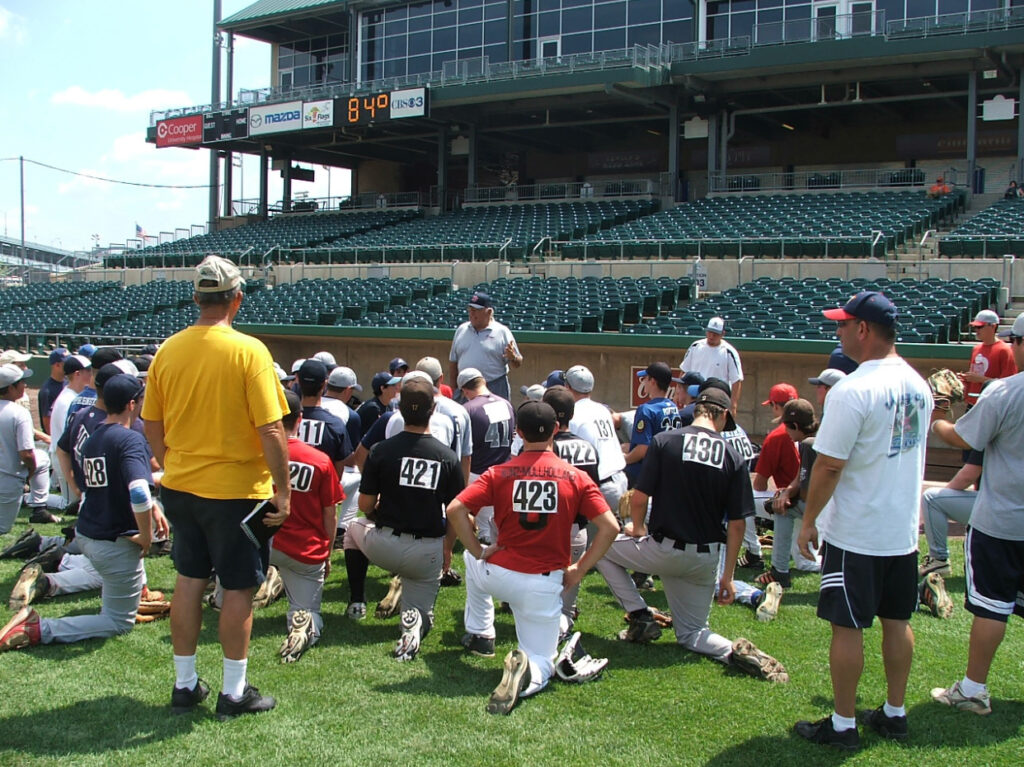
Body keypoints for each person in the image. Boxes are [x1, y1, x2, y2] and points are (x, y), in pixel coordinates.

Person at [142, 255, 291, 721]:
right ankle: (233, 692)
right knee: (238, 587)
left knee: (188, 580)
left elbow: (151, 422)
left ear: (197, 298)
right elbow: (271, 430)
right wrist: (284, 493)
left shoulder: (168, 349)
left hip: (182, 486)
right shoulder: (249, 351)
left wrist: (172, 464)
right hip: (235, 491)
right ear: (237, 299)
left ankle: (185, 685)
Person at [794, 290, 932, 750]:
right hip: (900, 530)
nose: (838, 331)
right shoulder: (919, 383)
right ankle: (894, 713)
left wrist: (809, 520)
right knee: (897, 620)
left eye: (843, 324)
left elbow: (829, 465)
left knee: (847, 627)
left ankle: (844, 724)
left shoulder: (854, 390)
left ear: (864, 330)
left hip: (857, 531)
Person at [595, 386, 788, 682]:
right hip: (705, 559)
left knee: (601, 549)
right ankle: (728, 651)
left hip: (662, 549)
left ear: (697, 409)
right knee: (693, 634)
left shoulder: (664, 440)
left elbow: (639, 496)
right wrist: (726, 578)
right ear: (723, 414)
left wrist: (637, 526)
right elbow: (737, 525)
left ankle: (640, 615)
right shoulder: (732, 454)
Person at [447, 401, 619, 715]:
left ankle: (482, 633)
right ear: (556, 429)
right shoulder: (575, 476)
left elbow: (455, 509)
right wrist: (579, 570)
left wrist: (477, 550)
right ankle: (528, 673)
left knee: (473, 563)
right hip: (543, 582)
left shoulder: (498, 472)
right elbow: (610, 527)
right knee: (543, 660)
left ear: (518, 432)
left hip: (499, 575)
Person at [0, 374, 169, 653]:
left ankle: (54, 579)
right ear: (131, 404)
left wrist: (160, 493)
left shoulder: (95, 435)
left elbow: (120, 480)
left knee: (101, 574)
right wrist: (146, 535)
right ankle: (38, 627)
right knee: (118, 622)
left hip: (88, 531)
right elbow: (138, 491)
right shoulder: (130, 439)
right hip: (112, 539)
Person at [929, 311, 1024, 716]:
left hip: (1003, 520)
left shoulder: (1006, 392)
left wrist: (940, 414)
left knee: (991, 607)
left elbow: (961, 438)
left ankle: (972, 689)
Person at [347, 377, 466, 661]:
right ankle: (412, 629)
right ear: (434, 408)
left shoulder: (382, 450)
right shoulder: (447, 457)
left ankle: (356, 602)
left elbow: (364, 504)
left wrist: (378, 511)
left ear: (400, 410)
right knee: (419, 614)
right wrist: (448, 547)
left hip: (384, 546)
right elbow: (457, 514)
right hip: (427, 552)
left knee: (352, 529)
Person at [270, 390, 344, 663]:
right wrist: (326, 552)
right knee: (306, 611)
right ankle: (303, 627)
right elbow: (330, 514)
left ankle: (249, 584)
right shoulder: (320, 460)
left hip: (262, 542)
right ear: (299, 419)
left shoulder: (255, 454)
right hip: (304, 550)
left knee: (230, 592)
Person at [543, 385, 600, 636]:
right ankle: (563, 628)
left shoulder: (545, 449)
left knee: (541, 596)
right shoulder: (588, 446)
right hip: (578, 530)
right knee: (566, 606)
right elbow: (593, 492)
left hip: (547, 531)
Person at [757, 399, 818, 588]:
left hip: (827, 508)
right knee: (781, 504)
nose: (785, 431)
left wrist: (787, 500)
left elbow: (810, 492)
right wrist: (786, 493)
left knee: (781, 508)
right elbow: (800, 478)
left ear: (796, 426)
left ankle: (778, 570)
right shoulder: (811, 439)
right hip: (829, 504)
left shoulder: (809, 444)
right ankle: (779, 571)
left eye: (787, 426)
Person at [458, 367, 515, 546]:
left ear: (465, 390)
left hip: (478, 473)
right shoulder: (506, 403)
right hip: (504, 472)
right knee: (496, 524)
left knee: (486, 533)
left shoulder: (468, 409)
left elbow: (464, 449)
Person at [747, 383, 800, 571]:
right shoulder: (813, 428)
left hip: (790, 502)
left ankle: (753, 553)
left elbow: (760, 484)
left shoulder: (777, 435)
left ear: (776, 406)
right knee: (804, 558)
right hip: (819, 503)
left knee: (740, 500)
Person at [564, 365, 627, 512]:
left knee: (599, 533)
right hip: (620, 479)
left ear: (568, 387)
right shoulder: (602, 409)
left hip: (600, 486)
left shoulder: (573, 414)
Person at [448, 291, 522, 401]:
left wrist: (513, 358)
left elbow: (518, 363)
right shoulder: (461, 330)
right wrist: (454, 389)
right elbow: (453, 362)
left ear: (489, 312)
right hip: (465, 389)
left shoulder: (502, 332)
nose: (471, 314)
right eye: (470, 310)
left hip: (494, 387)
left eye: (475, 310)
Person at [918, 450, 981, 578]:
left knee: (932, 499)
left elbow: (967, 477)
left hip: (1004, 510)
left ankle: (938, 560)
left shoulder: (988, 432)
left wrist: (936, 428)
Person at [623, 362, 680, 487]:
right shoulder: (673, 407)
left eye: (645, 379)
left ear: (653, 381)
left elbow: (643, 448)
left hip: (644, 475)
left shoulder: (646, 409)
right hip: (666, 470)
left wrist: (624, 459)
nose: (643, 382)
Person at [49, 354, 93, 509]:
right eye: (88, 370)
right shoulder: (66, 400)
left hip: (70, 455)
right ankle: (32, 497)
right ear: (77, 374)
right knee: (69, 503)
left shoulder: (75, 396)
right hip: (63, 457)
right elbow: (67, 440)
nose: (91, 373)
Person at [681, 316, 743, 411]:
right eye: (709, 332)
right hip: (694, 398)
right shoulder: (695, 346)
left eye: (715, 334)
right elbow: (684, 371)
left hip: (716, 400)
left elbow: (736, 380)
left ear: (722, 334)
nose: (711, 336)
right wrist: (679, 393)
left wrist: (733, 404)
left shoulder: (729, 352)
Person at [959, 309, 1016, 410]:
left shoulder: (1005, 350)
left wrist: (980, 379)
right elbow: (975, 375)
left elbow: (1007, 385)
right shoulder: (976, 348)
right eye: (975, 327)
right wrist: (965, 379)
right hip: (973, 403)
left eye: (980, 327)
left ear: (993, 326)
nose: (976, 330)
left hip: (992, 405)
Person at [39, 348, 69, 435]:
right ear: (57, 365)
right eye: (66, 364)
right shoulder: (47, 390)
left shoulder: (68, 382)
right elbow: (47, 420)